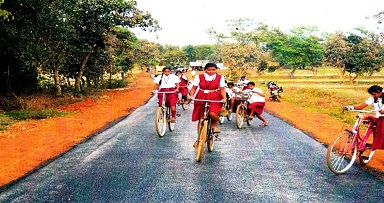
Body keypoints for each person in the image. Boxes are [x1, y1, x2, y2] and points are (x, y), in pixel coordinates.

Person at [189, 63, 227, 146]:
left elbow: (222, 89)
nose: (211, 71)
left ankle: (214, 125)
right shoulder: (199, 77)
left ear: (216, 70)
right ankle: (199, 138)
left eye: (213, 69)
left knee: (212, 113)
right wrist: (191, 96)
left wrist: (224, 98)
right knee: (201, 118)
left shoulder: (220, 77)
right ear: (205, 70)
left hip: (215, 96)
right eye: (209, 69)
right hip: (201, 95)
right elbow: (194, 88)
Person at [344, 85, 384, 150]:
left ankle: (377, 144)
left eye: (374, 94)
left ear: (380, 93)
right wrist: (351, 107)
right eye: (372, 94)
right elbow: (361, 107)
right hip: (378, 118)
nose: (373, 96)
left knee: (381, 134)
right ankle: (364, 143)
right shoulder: (373, 98)